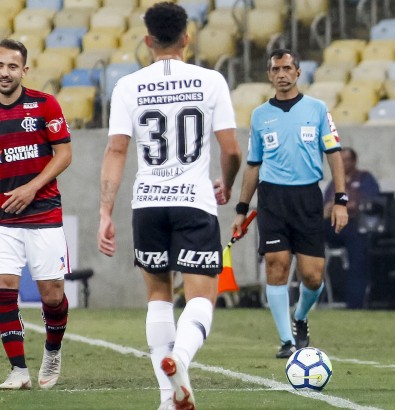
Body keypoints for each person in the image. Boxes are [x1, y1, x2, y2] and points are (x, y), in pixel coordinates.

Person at [97, 3, 241, 410]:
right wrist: (226, 185)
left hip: (147, 204)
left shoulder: (128, 86)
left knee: (158, 297)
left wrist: (105, 211)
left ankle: (166, 398)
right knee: (201, 298)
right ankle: (179, 358)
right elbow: (230, 150)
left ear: (147, 40)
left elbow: (115, 150)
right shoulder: (210, 81)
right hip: (193, 201)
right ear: (186, 38)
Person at [231, 48, 348, 359]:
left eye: (287, 68)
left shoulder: (318, 109)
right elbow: (253, 164)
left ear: (298, 73)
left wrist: (340, 200)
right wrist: (241, 210)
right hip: (272, 198)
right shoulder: (259, 115)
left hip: (308, 197)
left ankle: (300, 318)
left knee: (312, 275)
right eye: (275, 69)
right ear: (269, 75)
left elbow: (334, 154)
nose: (281, 74)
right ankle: (286, 341)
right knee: (277, 265)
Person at [0, 39, 71, 390]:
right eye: (0, 65)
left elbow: (64, 154)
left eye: (12, 66)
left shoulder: (45, 104)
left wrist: (31, 188)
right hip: (2, 219)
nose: (4, 72)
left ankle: (53, 350)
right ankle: (18, 370)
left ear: (24, 70)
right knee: (3, 287)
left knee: (53, 296)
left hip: (43, 212)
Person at [323, 147, 379, 309]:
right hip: (332, 225)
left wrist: (342, 206)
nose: (343, 163)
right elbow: (326, 207)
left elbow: (368, 202)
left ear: (354, 161)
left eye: (346, 159)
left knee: (358, 249)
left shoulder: (364, 178)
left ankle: (354, 303)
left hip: (355, 225)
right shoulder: (334, 182)